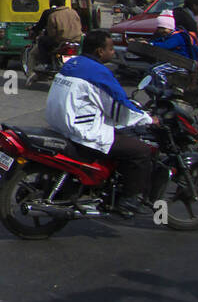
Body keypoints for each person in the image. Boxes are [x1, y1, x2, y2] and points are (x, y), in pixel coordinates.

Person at [45, 30, 159, 216]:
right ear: (100, 51)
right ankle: (129, 201)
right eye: (111, 49)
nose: (113, 53)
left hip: (61, 125)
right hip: (83, 132)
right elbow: (120, 109)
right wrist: (147, 119)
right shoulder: (98, 73)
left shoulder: (73, 63)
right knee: (141, 150)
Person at [29, 0, 83, 81]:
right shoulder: (74, 12)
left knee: (43, 40)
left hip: (61, 42)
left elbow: (52, 33)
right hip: (77, 41)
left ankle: (45, 64)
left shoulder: (53, 15)